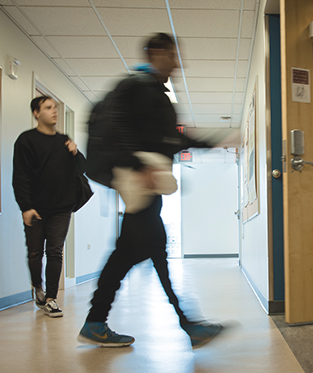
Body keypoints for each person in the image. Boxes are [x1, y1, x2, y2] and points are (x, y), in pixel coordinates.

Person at [78, 33, 224, 348]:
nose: (177, 63)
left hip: (148, 187)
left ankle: (95, 323)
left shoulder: (158, 95)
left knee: (129, 255)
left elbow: (173, 139)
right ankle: (188, 324)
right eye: (172, 55)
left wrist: (218, 141)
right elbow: (116, 125)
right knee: (155, 250)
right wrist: (137, 164)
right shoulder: (134, 87)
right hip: (139, 183)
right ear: (155, 53)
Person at [13, 96, 88, 317]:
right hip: (35, 208)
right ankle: (38, 287)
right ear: (36, 113)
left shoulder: (64, 140)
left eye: (55, 107)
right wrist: (25, 206)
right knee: (35, 254)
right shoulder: (26, 140)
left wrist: (75, 152)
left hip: (61, 208)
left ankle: (52, 299)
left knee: (55, 252)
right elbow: (21, 176)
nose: (54, 111)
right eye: (48, 108)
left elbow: (82, 168)